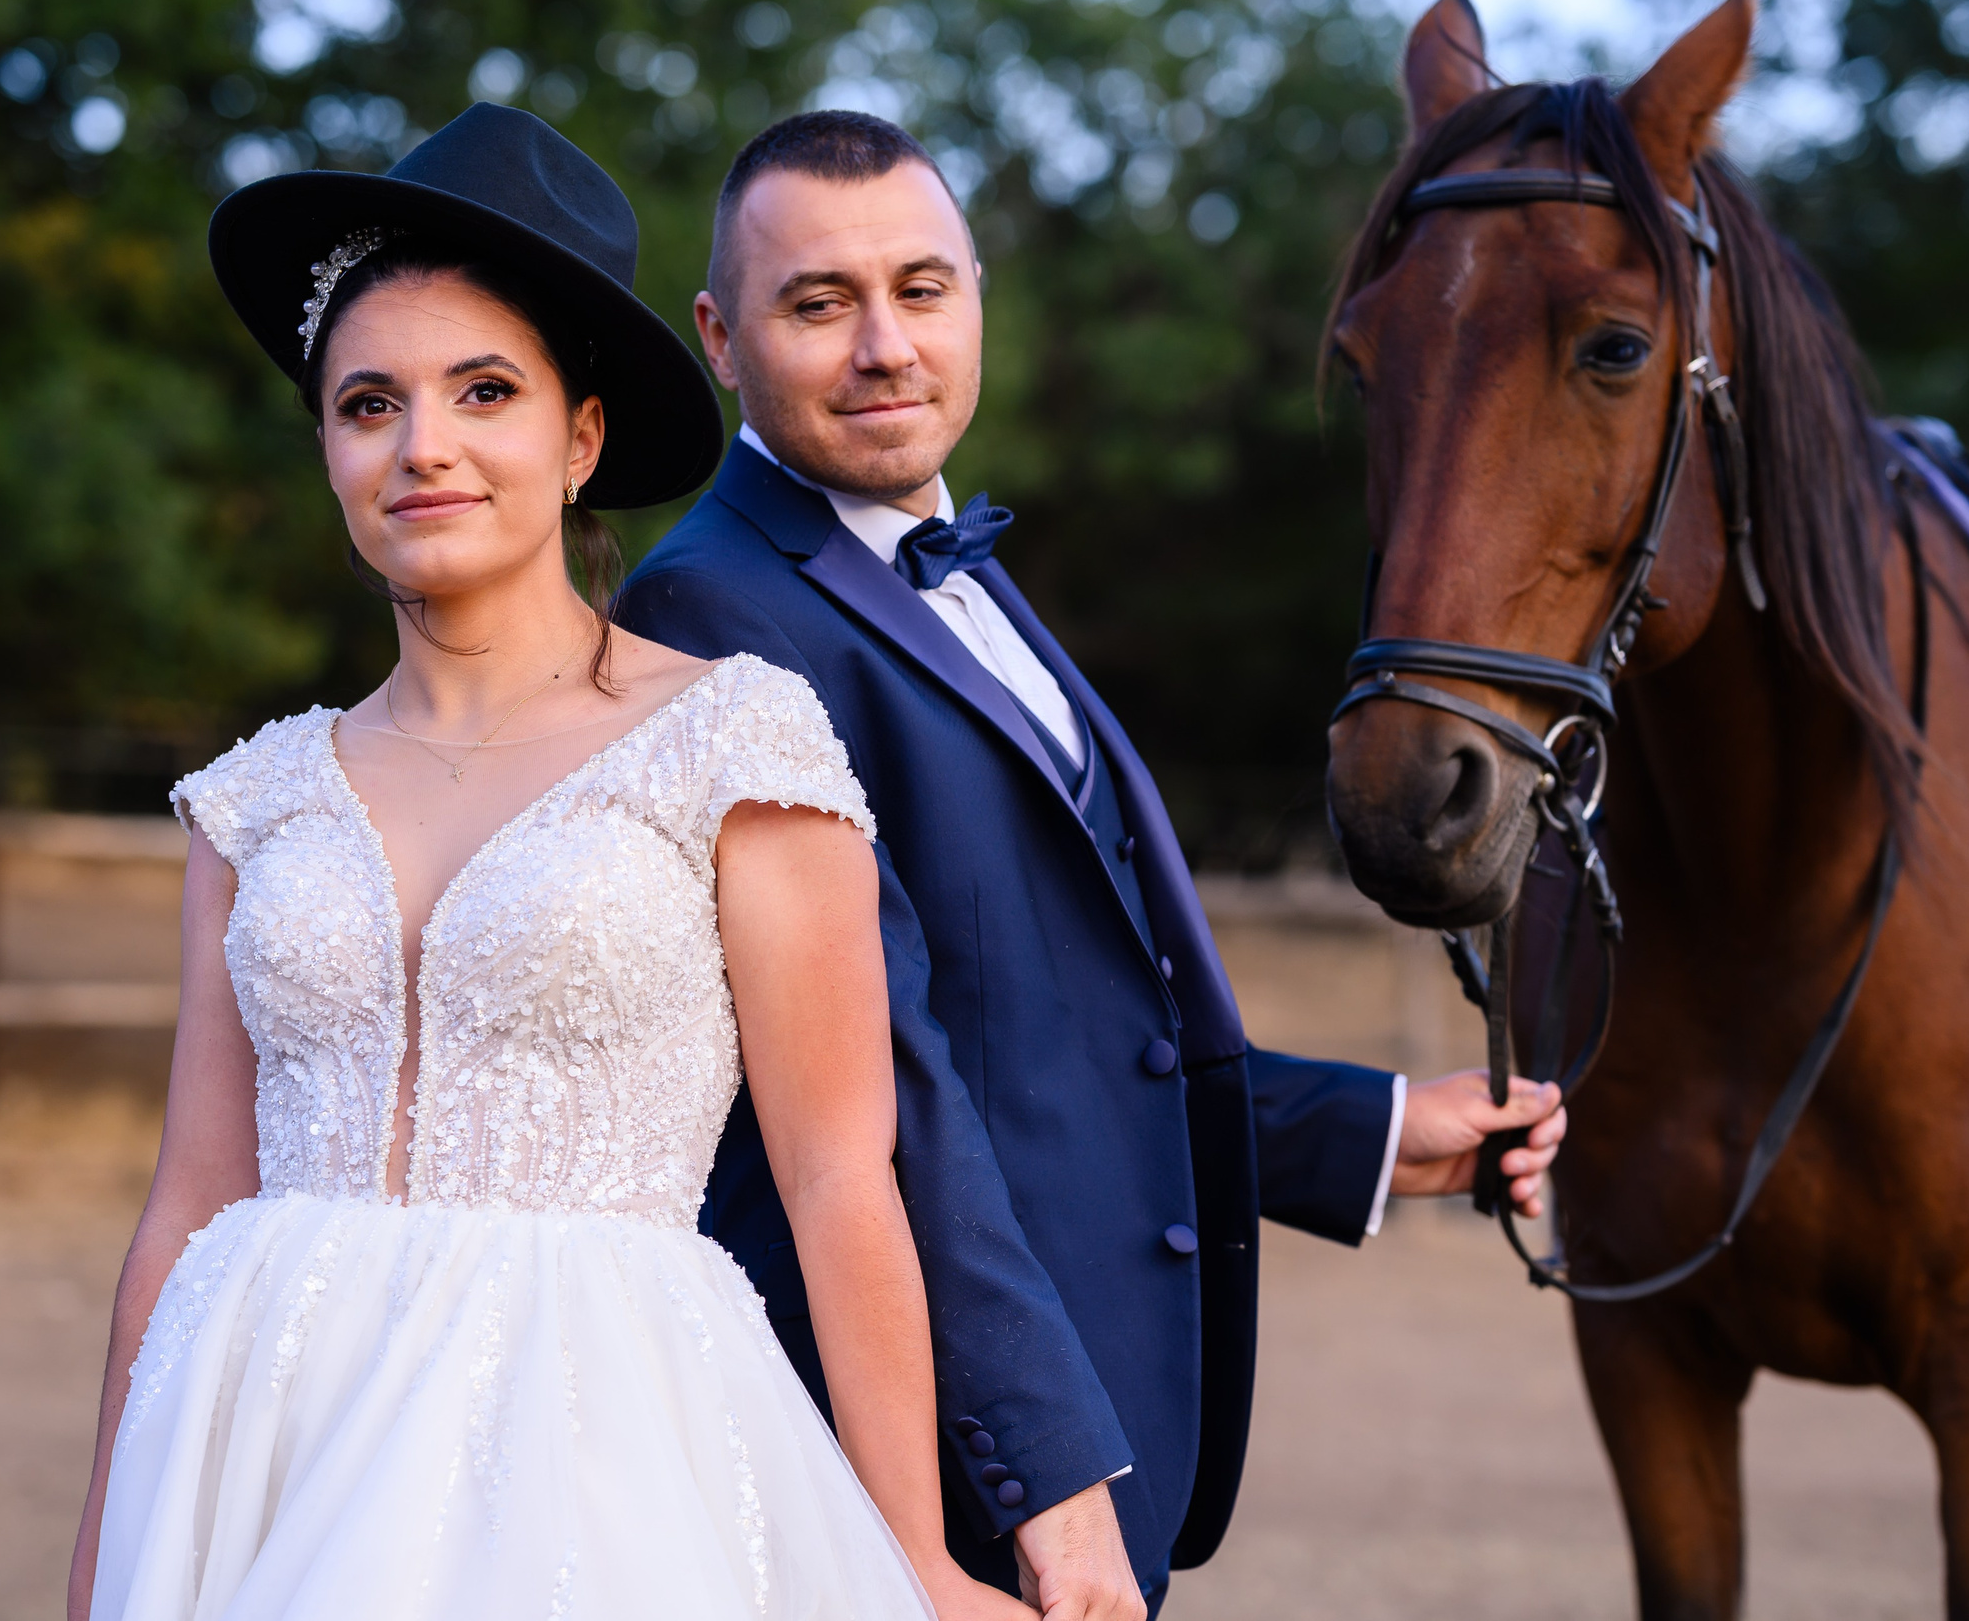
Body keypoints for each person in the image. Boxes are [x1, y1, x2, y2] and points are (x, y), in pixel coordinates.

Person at [69, 105, 1026, 1621]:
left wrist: (910, 1552)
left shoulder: (735, 744)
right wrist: (114, 1546)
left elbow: (842, 1175)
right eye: (368, 403)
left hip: (591, 1439)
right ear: (326, 444)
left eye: (484, 392)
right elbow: (190, 1197)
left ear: (579, 439)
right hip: (254, 1434)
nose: (422, 445)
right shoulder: (254, 801)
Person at [617, 112, 1570, 1619]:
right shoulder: (716, 608)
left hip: (1091, 1403)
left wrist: (1371, 1134)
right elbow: (897, 1090)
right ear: (723, 339)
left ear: (978, 298)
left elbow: (1055, 1031)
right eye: (819, 304)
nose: (885, 345)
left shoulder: (953, 565)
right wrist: (1047, 1480)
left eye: (922, 290)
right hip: (939, 1441)